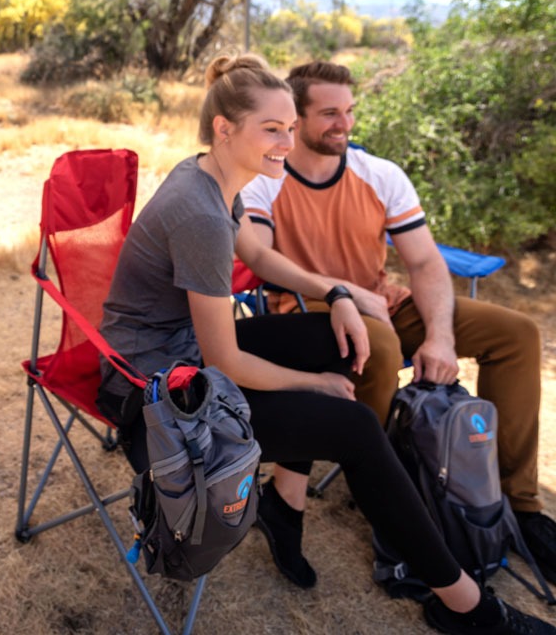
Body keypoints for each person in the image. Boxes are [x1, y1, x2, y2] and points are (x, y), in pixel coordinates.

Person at [95, 52, 554, 635]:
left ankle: (286, 507)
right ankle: (469, 607)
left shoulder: (213, 176)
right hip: (151, 391)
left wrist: (338, 292)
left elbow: (257, 256)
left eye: (290, 128)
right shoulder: (201, 212)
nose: (286, 142)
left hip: (178, 357)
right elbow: (225, 361)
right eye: (273, 129)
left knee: (337, 341)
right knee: (353, 424)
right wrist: (316, 386)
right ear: (224, 127)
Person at [239, 59, 556, 585]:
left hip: (382, 301)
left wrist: (440, 336)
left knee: (517, 334)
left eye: (349, 112)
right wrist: (345, 293)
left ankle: (514, 504)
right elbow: (264, 258)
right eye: (329, 113)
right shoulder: (266, 179)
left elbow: (426, 262)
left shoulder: (379, 174)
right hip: (308, 308)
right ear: (295, 117)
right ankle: (394, 496)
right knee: (379, 347)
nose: (344, 124)